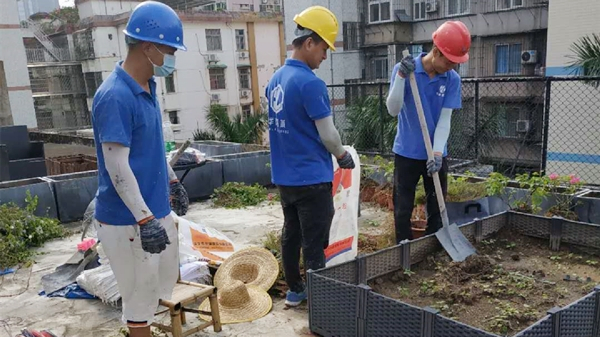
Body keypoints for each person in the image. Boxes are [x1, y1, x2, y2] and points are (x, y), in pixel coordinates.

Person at [90, 1, 189, 336]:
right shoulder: (115, 96)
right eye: (170, 49)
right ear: (148, 47)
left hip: (151, 211)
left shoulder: (148, 87)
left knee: (157, 290)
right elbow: (117, 166)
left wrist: (172, 182)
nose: (172, 57)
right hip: (127, 219)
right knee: (138, 306)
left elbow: (151, 148)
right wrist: (145, 220)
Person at [265, 5, 355, 307]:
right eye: (324, 49)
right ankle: (320, 303)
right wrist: (342, 156)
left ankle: (295, 290)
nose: (325, 56)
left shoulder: (275, 79)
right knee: (315, 242)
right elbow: (328, 134)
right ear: (309, 43)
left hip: (285, 178)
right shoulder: (311, 84)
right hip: (312, 178)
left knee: (291, 234)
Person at [385, 20, 471, 244]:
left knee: (436, 204)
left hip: (436, 153)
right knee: (403, 207)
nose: (452, 67)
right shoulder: (406, 70)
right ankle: (402, 250)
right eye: (450, 62)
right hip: (407, 152)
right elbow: (392, 110)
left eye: (456, 63)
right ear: (436, 52)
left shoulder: (452, 79)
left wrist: (437, 153)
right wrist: (402, 77)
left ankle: (433, 247)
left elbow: (445, 120)